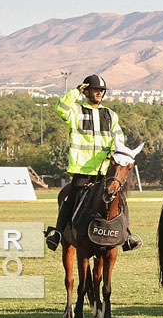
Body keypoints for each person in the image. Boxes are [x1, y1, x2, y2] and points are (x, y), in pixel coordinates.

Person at [45, 74, 141, 252]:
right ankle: (58, 233)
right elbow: (60, 108)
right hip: (82, 169)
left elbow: (118, 139)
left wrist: (118, 155)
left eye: (101, 91)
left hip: (105, 171)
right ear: (87, 91)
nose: (99, 93)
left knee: (121, 200)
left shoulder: (111, 115)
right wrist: (76, 91)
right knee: (70, 198)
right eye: (96, 90)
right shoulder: (75, 112)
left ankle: (126, 235)